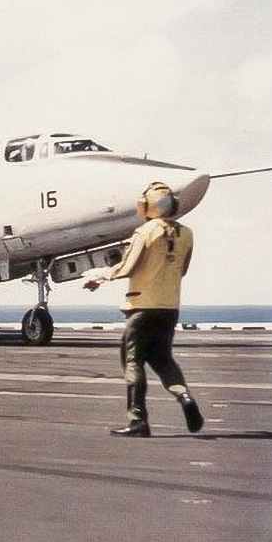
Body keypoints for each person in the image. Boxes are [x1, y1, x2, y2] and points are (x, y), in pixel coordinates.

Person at [83, 181, 204, 438]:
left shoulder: (145, 232)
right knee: (163, 359)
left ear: (149, 205)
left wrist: (99, 276)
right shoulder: (187, 234)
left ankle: (137, 420)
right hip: (169, 308)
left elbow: (127, 267)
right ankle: (184, 397)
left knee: (132, 361)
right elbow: (183, 270)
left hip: (141, 308)